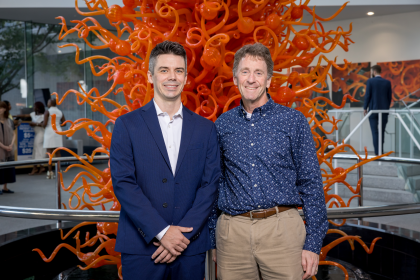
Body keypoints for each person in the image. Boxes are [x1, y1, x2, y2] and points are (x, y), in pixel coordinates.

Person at [212, 43, 328, 280]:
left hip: (282, 231)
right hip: (233, 235)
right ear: (235, 79)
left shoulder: (293, 121)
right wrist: (214, 238)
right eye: (245, 72)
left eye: (258, 73)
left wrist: (313, 244)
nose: (251, 79)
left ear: (268, 80)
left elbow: (311, 183)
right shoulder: (222, 125)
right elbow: (215, 183)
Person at [110, 41, 220, 280]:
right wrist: (161, 232)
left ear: (186, 78)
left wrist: (180, 237)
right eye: (164, 70)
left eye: (179, 70)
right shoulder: (126, 125)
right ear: (150, 76)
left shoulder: (206, 129)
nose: (172, 77)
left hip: (189, 247)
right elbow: (123, 183)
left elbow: (210, 186)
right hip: (142, 247)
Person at [363, 65, 393, 155]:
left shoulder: (370, 81)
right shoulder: (387, 82)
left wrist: (365, 107)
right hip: (384, 111)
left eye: (372, 71)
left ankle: (377, 152)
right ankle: (381, 151)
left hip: (373, 110)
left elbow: (368, 95)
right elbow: (389, 97)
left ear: (374, 72)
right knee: (382, 131)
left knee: (374, 132)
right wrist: (386, 108)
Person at [14, 102, 47, 175]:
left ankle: (37, 167)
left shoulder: (44, 116)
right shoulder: (33, 114)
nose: (33, 107)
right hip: (37, 134)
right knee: (36, 150)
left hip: (41, 134)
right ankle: (40, 167)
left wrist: (34, 124)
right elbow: (25, 115)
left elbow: (43, 125)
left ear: (38, 108)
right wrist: (15, 115)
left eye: (34, 106)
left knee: (38, 150)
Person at [43, 99, 65, 179]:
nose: (47, 103)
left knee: (49, 152)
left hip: (49, 131)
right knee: (58, 152)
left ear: (50, 103)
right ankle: (58, 172)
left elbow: (44, 124)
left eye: (48, 102)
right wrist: (57, 125)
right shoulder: (60, 111)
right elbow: (64, 123)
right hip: (58, 131)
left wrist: (39, 123)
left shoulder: (47, 111)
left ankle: (50, 172)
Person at [0, 101, 16, 195]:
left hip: (8, 147)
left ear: (5, 109)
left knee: (7, 166)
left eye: (1, 108)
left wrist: (10, 145)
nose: (0, 110)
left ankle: (5, 187)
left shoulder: (9, 120)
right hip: (1, 148)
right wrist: (4, 146)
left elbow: (13, 133)